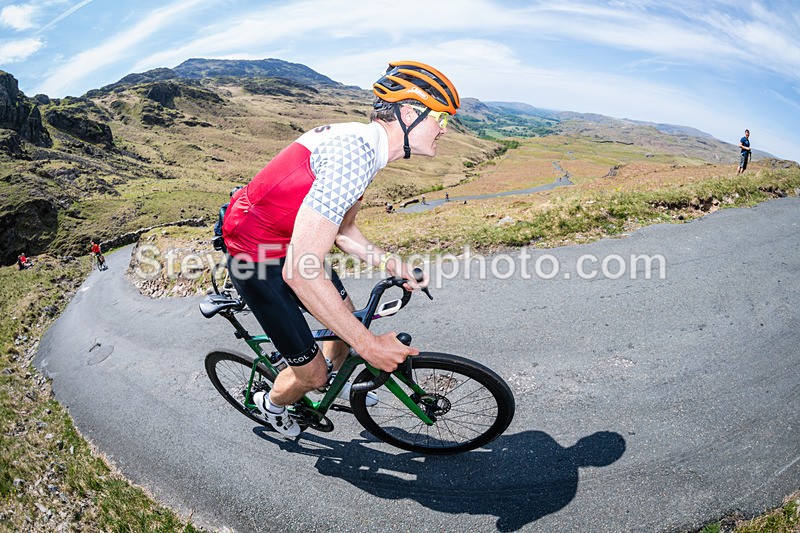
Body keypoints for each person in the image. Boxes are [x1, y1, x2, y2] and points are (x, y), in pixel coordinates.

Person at [222, 60, 459, 437]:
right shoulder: (354, 154)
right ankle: (273, 404)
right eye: (442, 119)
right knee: (315, 373)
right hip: (257, 260)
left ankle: (337, 381)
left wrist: (392, 263)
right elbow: (301, 271)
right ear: (410, 114)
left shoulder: (366, 150)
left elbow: (343, 230)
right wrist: (370, 347)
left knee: (344, 320)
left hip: (293, 247)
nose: (445, 130)